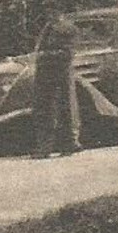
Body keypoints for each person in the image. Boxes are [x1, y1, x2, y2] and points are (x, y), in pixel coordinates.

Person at [32, 13, 81, 158]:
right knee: (46, 108)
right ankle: (52, 145)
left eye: (52, 7)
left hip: (58, 72)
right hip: (45, 72)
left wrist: (44, 55)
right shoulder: (48, 27)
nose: (48, 10)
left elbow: (67, 53)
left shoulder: (67, 28)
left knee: (61, 108)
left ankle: (66, 144)